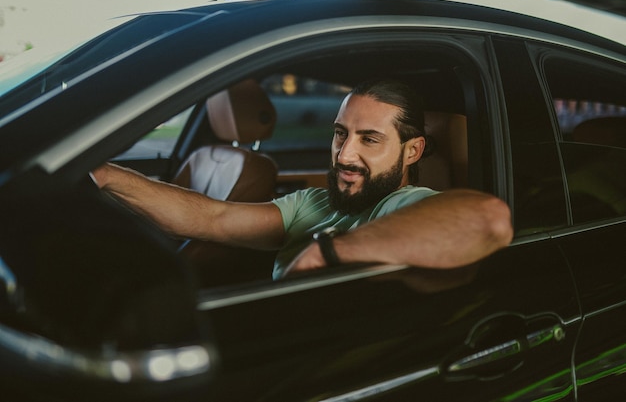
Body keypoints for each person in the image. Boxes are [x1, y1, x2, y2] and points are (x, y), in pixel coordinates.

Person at [93, 79, 513, 279]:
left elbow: (488, 218)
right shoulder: (314, 203)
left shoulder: (406, 204)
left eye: (370, 139)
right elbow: (213, 219)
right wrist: (109, 175)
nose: (345, 154)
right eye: (339, 134)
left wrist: (325, 253)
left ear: (412, 151)